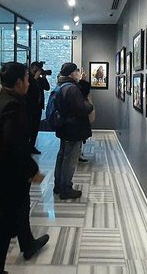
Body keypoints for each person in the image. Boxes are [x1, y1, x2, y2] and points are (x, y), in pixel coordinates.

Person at [0, 62, 49, 273]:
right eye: (28, 79)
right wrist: (33, 171)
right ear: (19, 82)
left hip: (1, 169)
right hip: (9, 173)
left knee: (21, 209)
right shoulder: (13, 105)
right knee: (5, 223)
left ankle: (28, 244)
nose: (30, 83)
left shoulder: (1, 100)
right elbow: (15, 144)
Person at [53, 63, 94, 199]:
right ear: (71, 73)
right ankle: (66, 189)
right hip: (73, 128)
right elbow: (83, 108)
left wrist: (82, 81)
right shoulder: (71, 88)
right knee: (70, 159)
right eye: (77, 71)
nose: (78, 73)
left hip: (65, 127)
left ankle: (58, 185)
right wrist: (89, 104)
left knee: (62, 156)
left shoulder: (61, 85)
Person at [26, 61, 50, 154]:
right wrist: (35, 78)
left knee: (35, 128)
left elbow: (47, 87)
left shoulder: (39, 79)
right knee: (29, 127)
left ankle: (32, 146)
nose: (37, 71)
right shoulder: (27, 78)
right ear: (31, 68)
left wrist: (43, 78)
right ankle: (26, 147)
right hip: (29, 106)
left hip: (38, 106)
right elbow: (29, 90)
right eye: (35, 69)